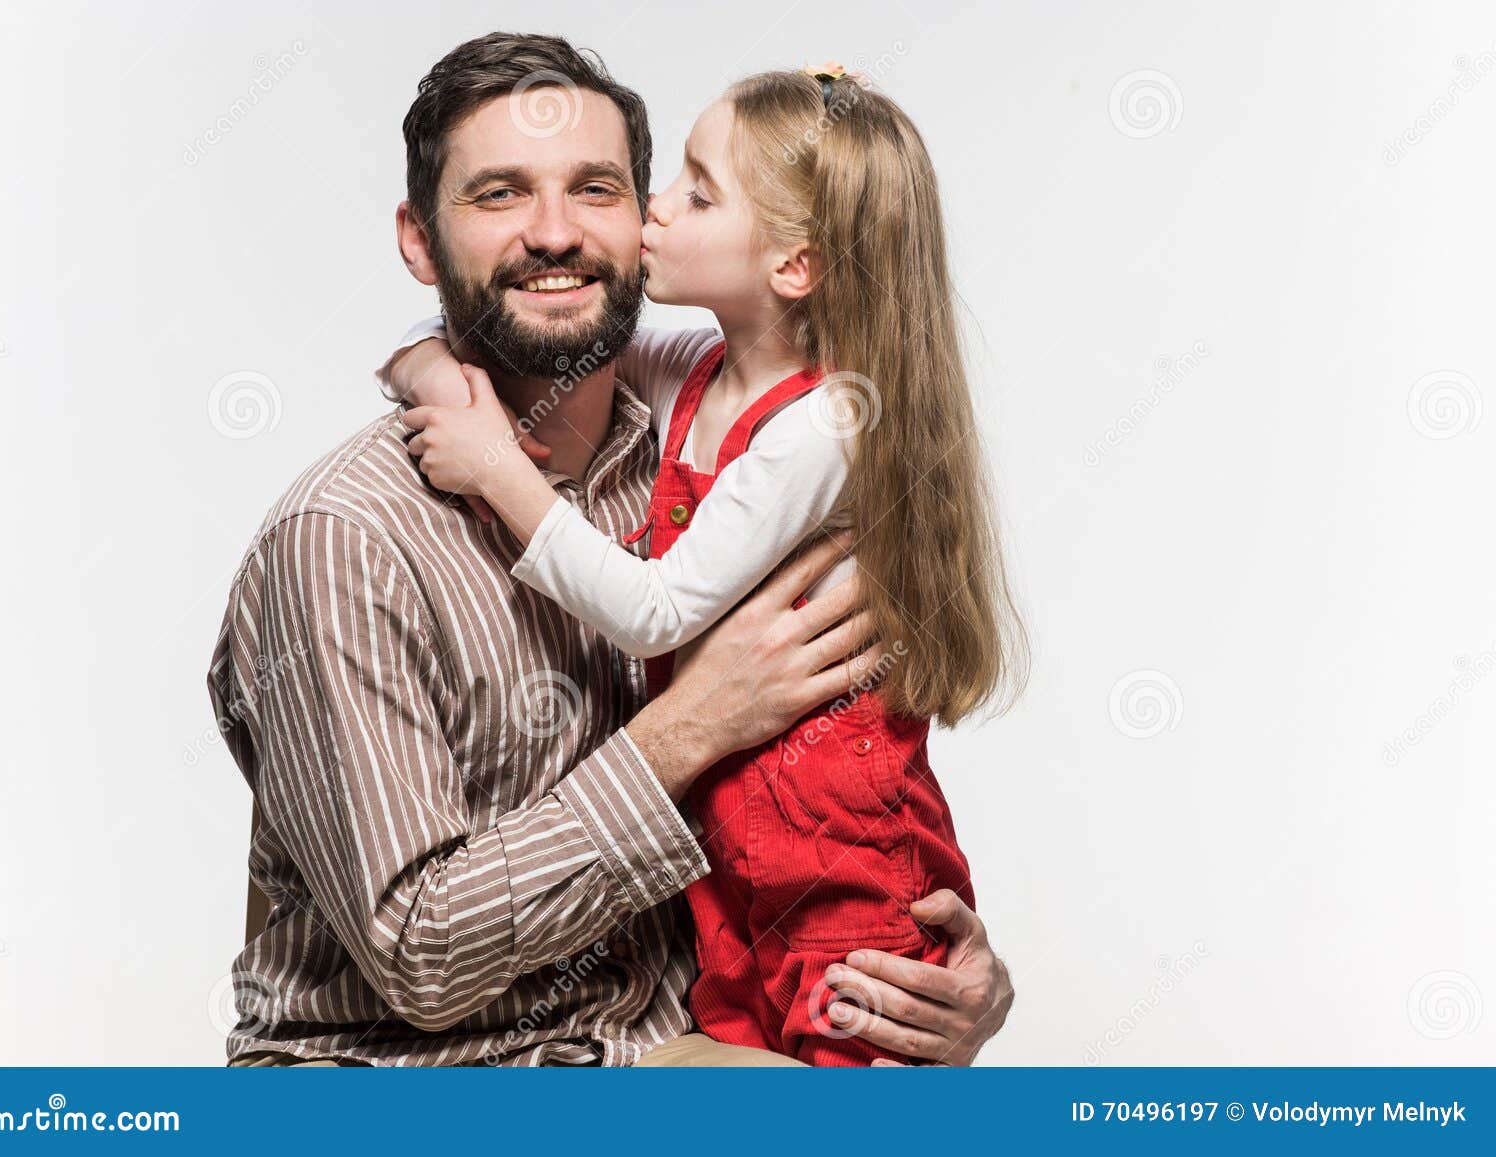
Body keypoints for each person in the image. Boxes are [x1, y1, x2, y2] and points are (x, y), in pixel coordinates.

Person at [208, 31, 1013, 1068]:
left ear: (639, 224)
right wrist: (689, 726)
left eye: (594, 188)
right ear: (419, 242)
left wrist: (943, 973)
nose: (554, 233)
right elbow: (419, 958)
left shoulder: (699, 436)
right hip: (410, 1068)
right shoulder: (346, 540)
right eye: (499, 194)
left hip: (672, 1030)